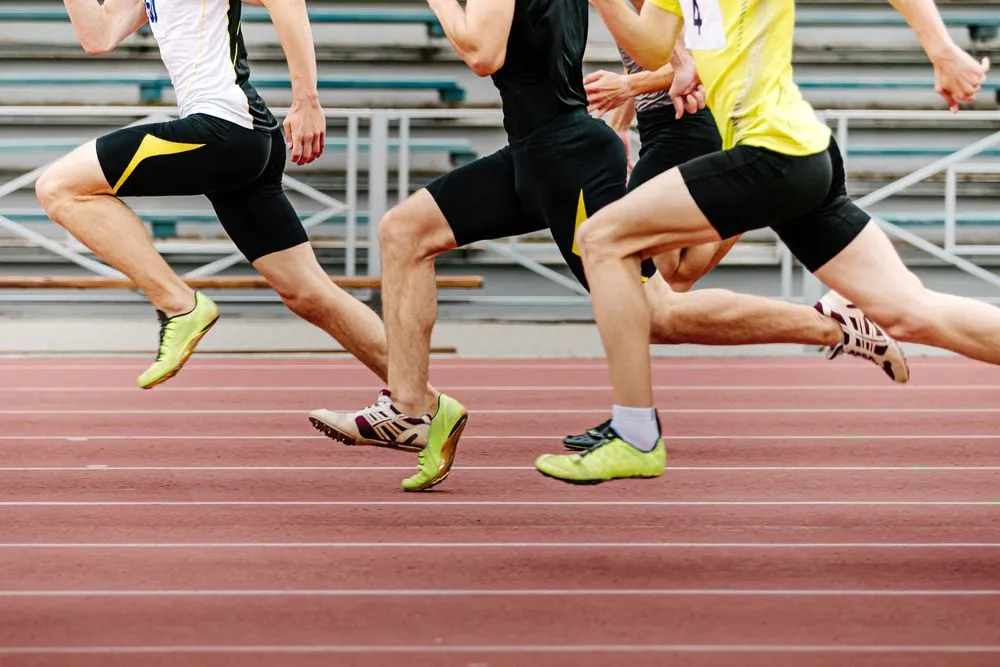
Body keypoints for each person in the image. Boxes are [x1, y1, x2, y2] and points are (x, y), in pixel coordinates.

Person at [308, 0, 904, 492]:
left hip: (567, 158)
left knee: (658, 314)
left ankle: (835, 326)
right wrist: (662, 77)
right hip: (533, 155)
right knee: (404, 232)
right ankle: (412, 409)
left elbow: (482, 52)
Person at [533, 0, 993, 484]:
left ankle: (634, 435)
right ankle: (635, 433)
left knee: (603, 238)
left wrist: (942, 50)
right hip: (798, 155)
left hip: (774, 153)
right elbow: (650, 47)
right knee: (910, 312)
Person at [564, 0, 910, 449]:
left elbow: (689, 58)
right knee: (677, 276)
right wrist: (621, 119)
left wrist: (629, 87)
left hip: (687, 124)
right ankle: (767, 224)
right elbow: (649, 53)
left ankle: (631, 423)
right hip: (663, 126)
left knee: (649, 277)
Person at [37, 0, 391, 390]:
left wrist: (306, 100)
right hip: (239, 134)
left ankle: (178, 305)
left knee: (59, 187)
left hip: (224, 128)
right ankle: (420, 400)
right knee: (308, 294)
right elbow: (99, 35)